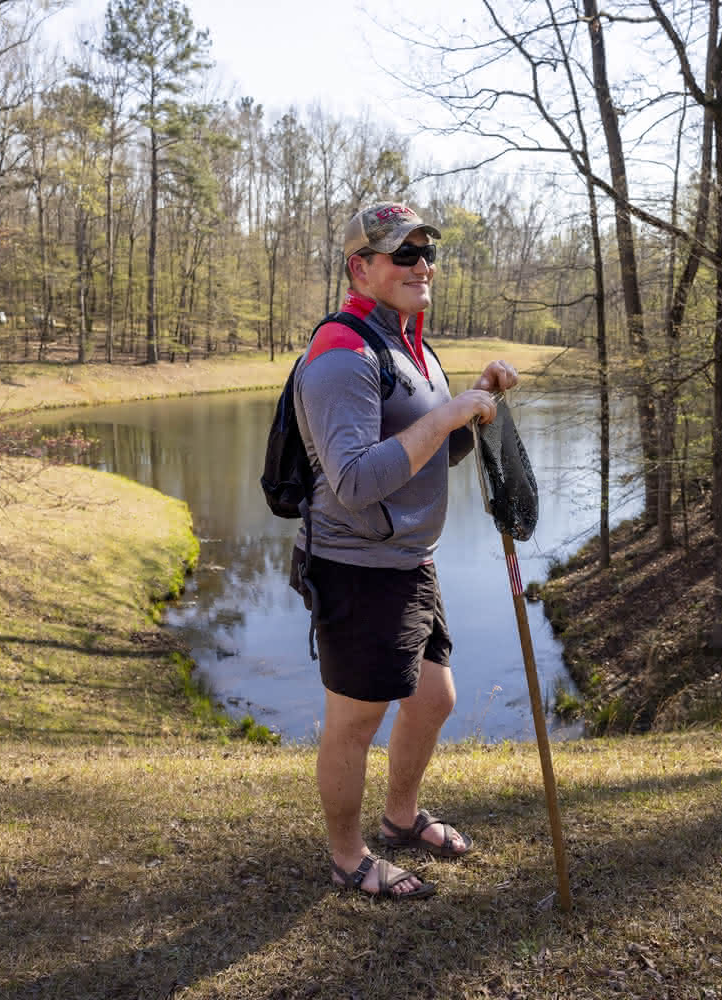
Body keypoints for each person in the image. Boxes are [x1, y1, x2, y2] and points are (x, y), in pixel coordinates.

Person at [289, 201, 518, 900]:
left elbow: (431, 453)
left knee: (433, 698)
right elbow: (356, 481)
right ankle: (347, 855)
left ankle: (399, 818)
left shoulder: (412, 346)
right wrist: (450, 412)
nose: (421, 265)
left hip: (411, 559)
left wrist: (472, 400)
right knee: (355, 721)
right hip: (355, 565)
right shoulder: (341, 356)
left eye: (426, 253)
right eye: (402, 254)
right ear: (361, 267)